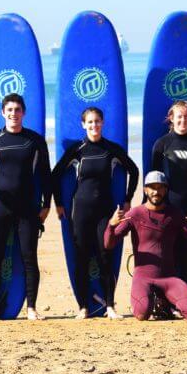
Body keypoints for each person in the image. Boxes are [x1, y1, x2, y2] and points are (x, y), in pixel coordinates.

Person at [0, 93, 54, 322]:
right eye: (9, 110)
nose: (13, 114)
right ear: (3, 113)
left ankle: (32, 308)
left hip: (28, 208)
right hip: (0, 208)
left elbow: (46, 176)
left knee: (29, 258)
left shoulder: (35, 141)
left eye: (17, 110)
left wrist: (47, 204)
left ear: (23, 113)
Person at [51, 106, 140, 320]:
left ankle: (110, 306)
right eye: (90, 122)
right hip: (80, 211)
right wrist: (59, 203)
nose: (94, 126)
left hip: (105, 213)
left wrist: (128, 199)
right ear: (84, 125)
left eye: (97, 122)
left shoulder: (111, 149)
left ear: (103, 123)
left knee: (105, 257)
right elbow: (55, 175)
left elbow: (134, 170)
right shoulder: (77, 150)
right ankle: (83, 307)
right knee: (81, 258)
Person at [104, 171, 187, 320]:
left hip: (169, 278)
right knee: (142, 314)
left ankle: (163, 302)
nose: (156, 191)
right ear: (145, 190)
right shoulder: (135, 214)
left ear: (166, 190)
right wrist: (111, 226)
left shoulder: (174, 214)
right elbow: (109, 244)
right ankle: (153, 301)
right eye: (152, 187)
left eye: (160, 187)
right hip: (143, 278)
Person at [149, 100, 187, 291]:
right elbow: (154, 180)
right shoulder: (161, 145)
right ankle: (170, 299)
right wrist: (150, 206)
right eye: (179, 116)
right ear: (171, 119)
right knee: (170, 254)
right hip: (169, 207)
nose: (183, 120)